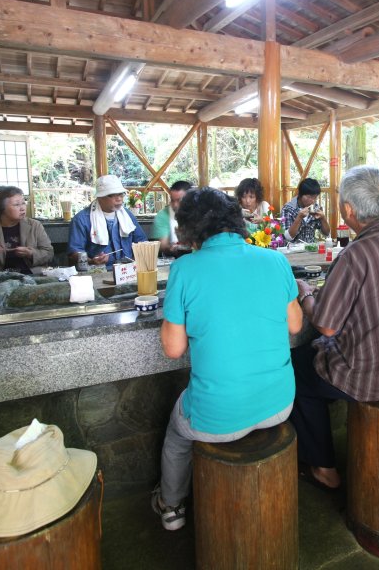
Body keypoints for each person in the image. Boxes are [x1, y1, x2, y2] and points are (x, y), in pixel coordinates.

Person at [152, 187, 303, 531]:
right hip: (279, 404)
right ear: (235, 220)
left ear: (189, 229)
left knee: (178, 434)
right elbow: (295, 325)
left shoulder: (185, 269)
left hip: (216, 418)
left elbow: (173, 349)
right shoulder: (275, 260)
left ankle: (171, 505)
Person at [289, 166, 379, 490]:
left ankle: (324, 466)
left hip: (372, 377)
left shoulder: (356, 253)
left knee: (295, 370)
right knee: (316, 363)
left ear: (348, 210)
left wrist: (306, 292)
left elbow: (325, 325)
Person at [68, 174, 148, 269]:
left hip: (127, 270)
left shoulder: (127, 215)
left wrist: (135, 261)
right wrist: (92, 261)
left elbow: (142, 242)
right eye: (112, 195)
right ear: (100, 197)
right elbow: (74, 252)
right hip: (98, 272)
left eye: (120, 194)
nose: (119, 199)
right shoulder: (82, 219)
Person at [0, 186, 53, 273]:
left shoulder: (35, 225)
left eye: (23, 203)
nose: (22, 208)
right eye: (16, 204)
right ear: (2, 208)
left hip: (32, 275)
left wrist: (31, 253)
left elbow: (49, 253)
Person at [281, 178, 331, 243]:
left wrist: (323, 218)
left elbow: (326, 234)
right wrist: (299, 217)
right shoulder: (288, 208)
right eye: (309, 197)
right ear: (300, 194)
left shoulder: (316, 208)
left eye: (315, 197)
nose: (313, 201)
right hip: (293, 251)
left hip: (311, 249)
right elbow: (288, 237)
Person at [152, 180, 192, 255]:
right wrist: (171, 248)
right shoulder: (162, 215)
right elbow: (163, 245)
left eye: (179, 200)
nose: (175, 205)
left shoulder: (198, 213)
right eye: (172, 201)